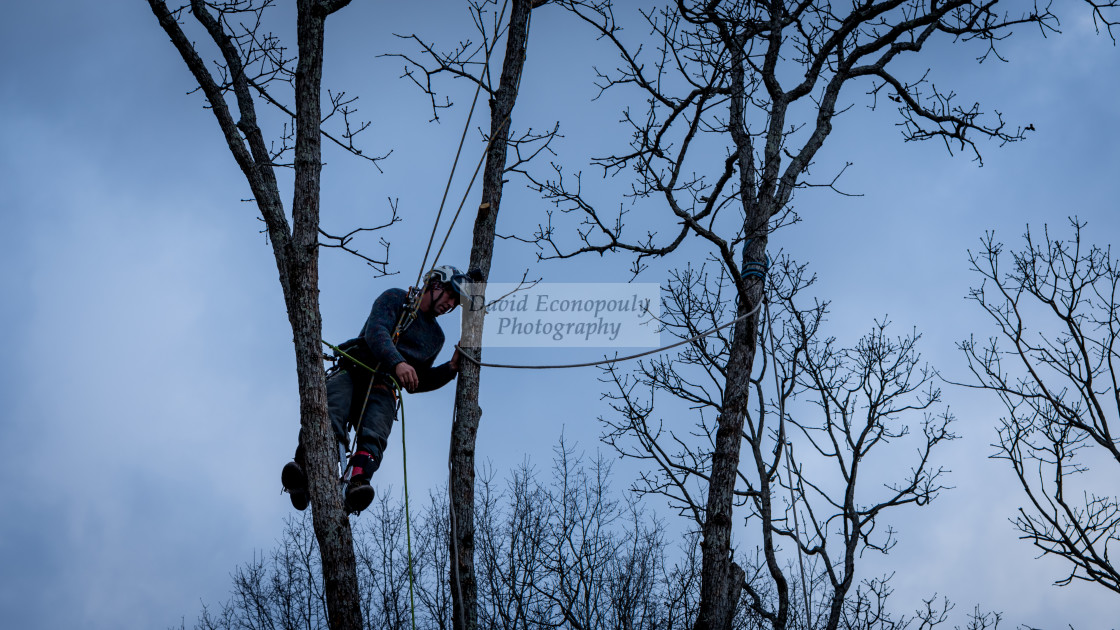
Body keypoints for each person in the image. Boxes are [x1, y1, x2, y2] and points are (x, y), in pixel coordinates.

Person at [281, 265, 477, 514]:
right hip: (356, 367)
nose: (450, 304)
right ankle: (304, 469)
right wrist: (398, 363)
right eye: (450, 295)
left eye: (455, 302)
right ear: (434, 284)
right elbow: (377, 331)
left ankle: (357, 483)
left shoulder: (436, 337)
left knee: (376, 432)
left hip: (384, 387)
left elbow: (419, 380)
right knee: (331, 410)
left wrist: (450, 368)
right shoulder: (396, 298)